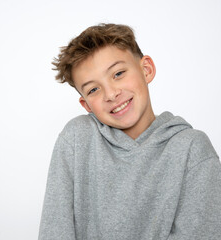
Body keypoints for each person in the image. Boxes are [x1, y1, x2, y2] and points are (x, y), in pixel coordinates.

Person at [39, 23, 221, 240]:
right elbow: (55, 230)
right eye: (93, 89)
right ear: (86, 105)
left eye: (118, 73)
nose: (111, 93)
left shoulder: (192, 150)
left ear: (146, 69)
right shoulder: (77, 139)